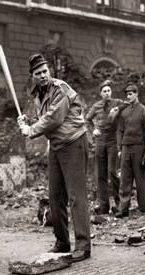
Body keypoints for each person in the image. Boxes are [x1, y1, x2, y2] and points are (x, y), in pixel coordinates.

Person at [17, 53, 91, 262]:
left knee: (76, 196)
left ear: (49, 72)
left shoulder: (60, 89)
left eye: (45, 71)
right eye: (38, 73)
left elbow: (53, 118)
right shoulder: (38, 93)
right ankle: (62, 242)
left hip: (74, 143)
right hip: (57, 146)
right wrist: (28, 120)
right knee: (55, 197)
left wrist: (30, 130)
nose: (43, 76)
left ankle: (83, 246)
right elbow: (43, 117)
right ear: (32, 75)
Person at [112, 84, 145, 218]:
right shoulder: (124, 112)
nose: (128, 96)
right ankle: (123, 209)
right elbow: (120, 130)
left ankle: (142, 207)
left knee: (140, 177)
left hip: (139, 147)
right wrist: (119, 148)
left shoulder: (143, 110)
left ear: (136, 94)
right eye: (127, 94)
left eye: (131, 94)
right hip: (125, 147)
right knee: (125, 178)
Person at [85, 80, 123, 215]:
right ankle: (103, 205)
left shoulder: (117, 102)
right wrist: (93, 130)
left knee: (112, 172)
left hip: (112, 140)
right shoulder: (96, 106)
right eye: (104, 91)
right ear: (101, 93)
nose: (107, 93)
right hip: (100, 141)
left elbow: (129, 107)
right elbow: (87, 119)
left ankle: (120, 204)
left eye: (109, 91)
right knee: (100, 173)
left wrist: (118, 111)